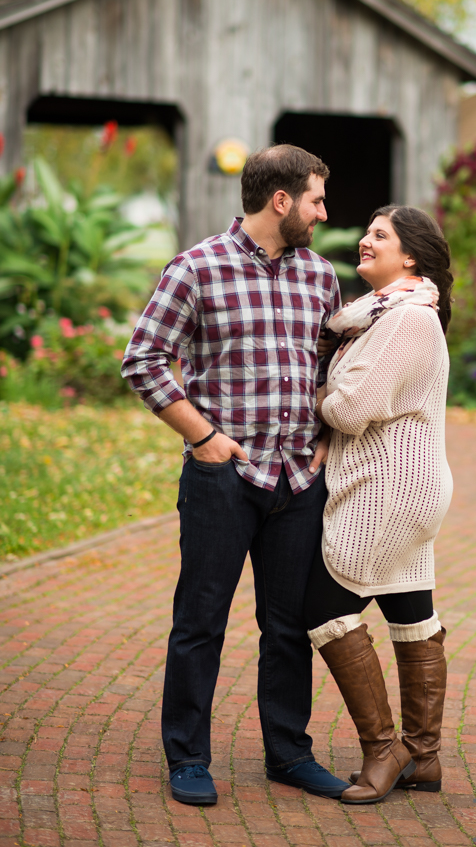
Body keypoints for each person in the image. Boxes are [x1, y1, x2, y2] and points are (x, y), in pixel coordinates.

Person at [121, 144, 350, 806]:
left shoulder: (318, 275)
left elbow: (329, 370)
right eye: (315, 199)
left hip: (298, 481)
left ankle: (288, 754)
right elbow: (143, 360)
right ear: (281, 200)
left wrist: (326, 442)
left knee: (288, 627)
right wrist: (207, 440)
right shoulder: (196, 268)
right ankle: (187, 757)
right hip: (223, 479)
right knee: (200, 622)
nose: (322, 212)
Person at [305, 204, 454, 805]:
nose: (366, 241)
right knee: (410, 608)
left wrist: (314, 393)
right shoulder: (379, 317)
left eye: (381, 235)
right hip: (409, 484)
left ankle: (384, 749)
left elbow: (348, 409)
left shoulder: (406, 321)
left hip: (386, 489)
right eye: (367, 231)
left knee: (323, 607)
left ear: (410, 256)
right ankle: (424, 756)